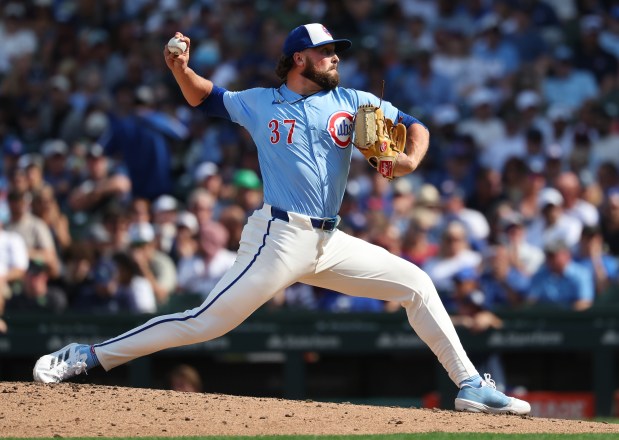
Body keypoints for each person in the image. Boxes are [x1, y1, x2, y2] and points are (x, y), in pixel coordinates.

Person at [33, 24, 530, 415]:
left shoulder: (353, 101)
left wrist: (410, 160)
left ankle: (470, 384)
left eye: (337, 50)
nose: (336, 56)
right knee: (204, 322)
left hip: (329, 241)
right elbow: (204, 97)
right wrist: (180, 67)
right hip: (280, 235)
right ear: (300, 59)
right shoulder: (261, 102)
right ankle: (87, 354)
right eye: (326, 50)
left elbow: (413, 126)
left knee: (417, 284)